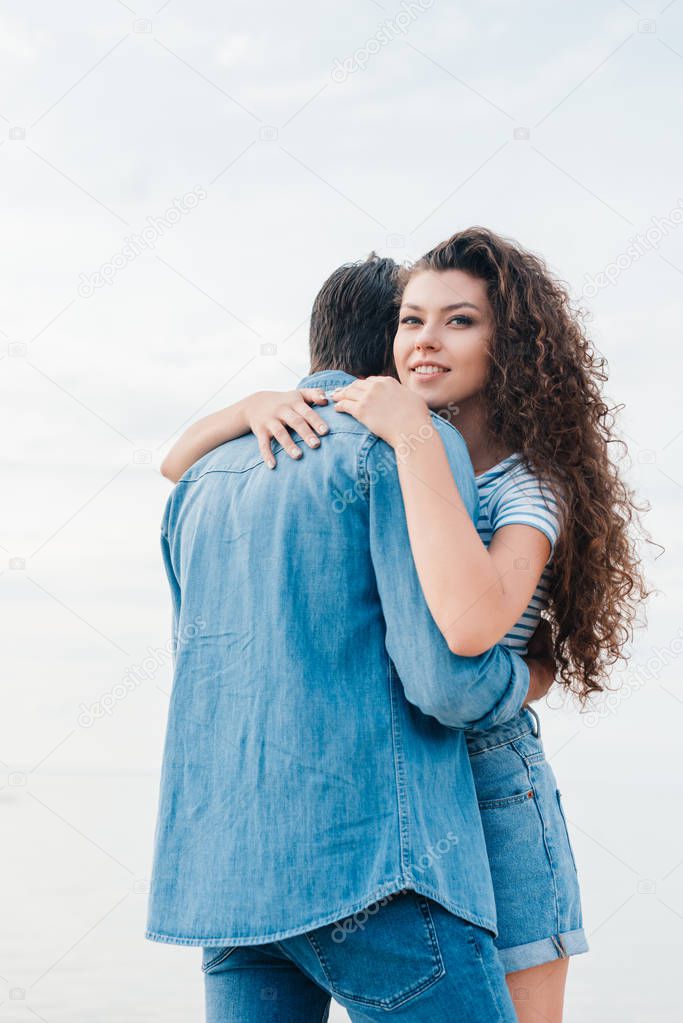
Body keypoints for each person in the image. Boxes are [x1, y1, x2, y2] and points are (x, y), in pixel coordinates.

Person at [161, 230, 647, 1022]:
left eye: (457, 321)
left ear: (509, 343)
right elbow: (179, 464)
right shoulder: (398, 450)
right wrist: (250, 407)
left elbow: (464, 635)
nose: (425, 339)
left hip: (489, 783)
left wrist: (530, 675)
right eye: (410, 320)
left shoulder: (520, 481)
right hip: (410, 780)